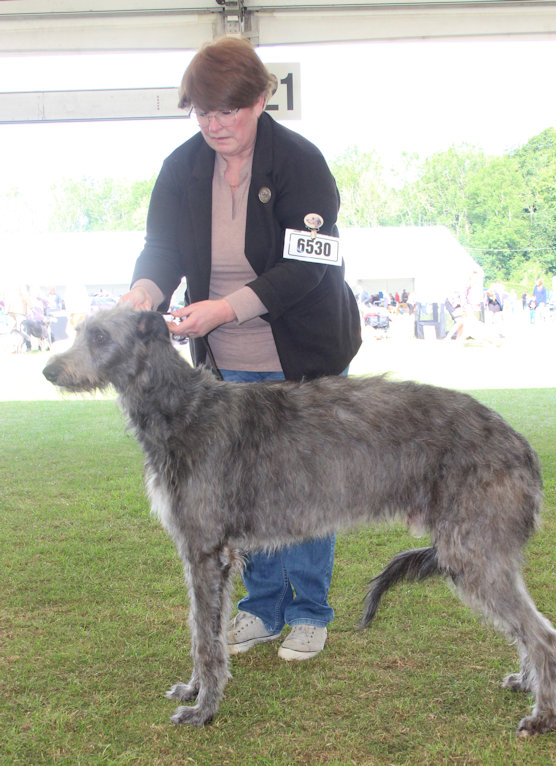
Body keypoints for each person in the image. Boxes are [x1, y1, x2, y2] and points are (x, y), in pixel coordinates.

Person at [120, 36, 361, 662]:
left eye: (226, 110)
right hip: (221, 366)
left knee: (305, 488)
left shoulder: (301, 162)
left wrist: (224, 308)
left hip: (301, 352)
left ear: (260, 99)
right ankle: (261, 607)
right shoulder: (182, 167)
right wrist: (144, 290)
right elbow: (162, 248)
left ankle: (310, 610)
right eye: (201, 112)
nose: (214, 124)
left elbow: (307, 267)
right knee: (239, 493)